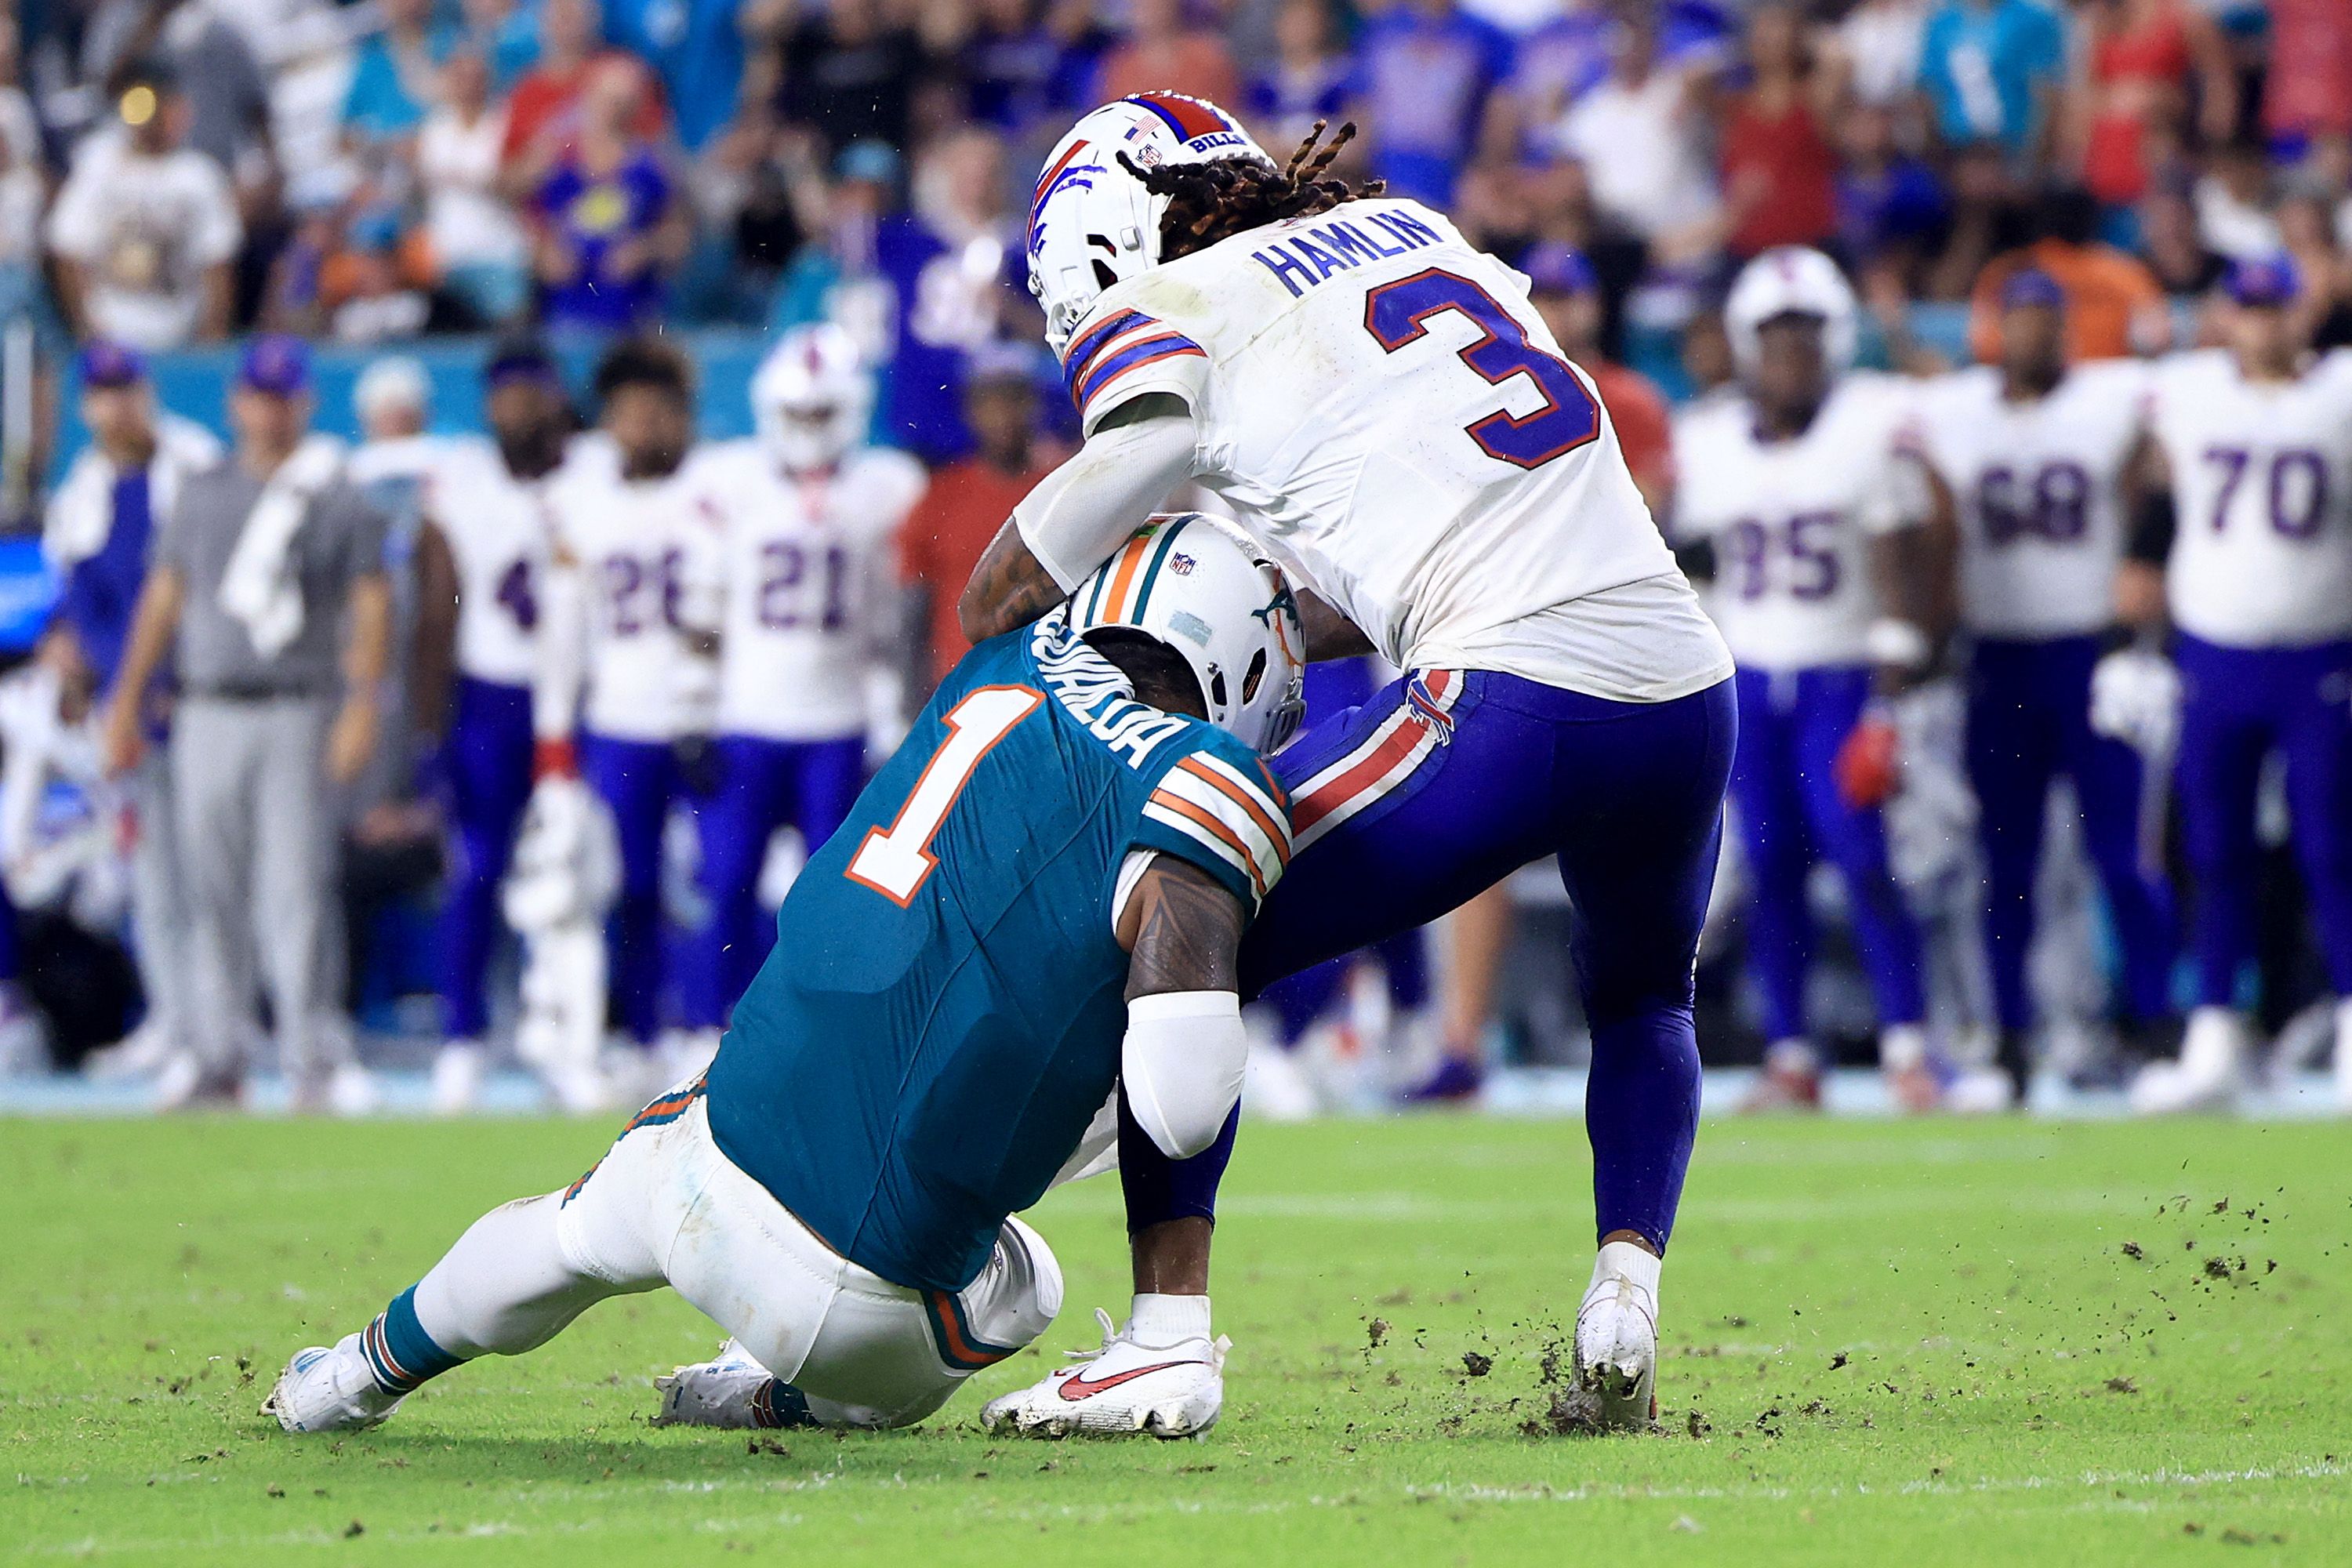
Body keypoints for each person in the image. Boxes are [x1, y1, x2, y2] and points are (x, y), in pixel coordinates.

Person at [963, 93, 1735, 1432]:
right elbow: (1408, 530)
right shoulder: (1409, 228)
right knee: (1643, 998)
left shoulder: (1179, 309)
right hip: (1681, 683)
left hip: (1517, 695)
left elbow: (1112, 476)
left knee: (1182, 905)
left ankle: (1165, 1337)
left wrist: (1003, 587)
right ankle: (1623, 1300)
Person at [265, 521, 1302, 1441]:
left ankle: (349, 1376)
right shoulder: (1201, 779)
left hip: (703, 1171)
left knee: (572, 1230)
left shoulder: (1002, 659)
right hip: (871, 1312)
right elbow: (1182, 1102)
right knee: (1028, 1288)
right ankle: (774, 1394)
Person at [1667, 247, 1947, 1113]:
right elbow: (1694, 563)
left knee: (1865, 858)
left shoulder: (1872, 420)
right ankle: (1791, 1052)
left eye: (1809, 333)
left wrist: (1893, 694)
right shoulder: (1708, 437)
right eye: (1777, 336)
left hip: (1843, 670)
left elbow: (1908, 553)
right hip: (1749, 677)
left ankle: (1910, 1046)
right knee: (1774, 866)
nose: (1793, 352)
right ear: (1749, 343)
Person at [100, 336, 392, 1112]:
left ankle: (309, 1055)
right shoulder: (201, 491)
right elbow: (164, 596)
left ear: (304, 402)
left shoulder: (332, 492)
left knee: (295, 886)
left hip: (296, 702)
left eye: (281, 395)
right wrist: (127, 698)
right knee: (210, 887)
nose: (267, 411)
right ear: (236, 403)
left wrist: (362, 706)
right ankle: (216, 1053)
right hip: (206, 703)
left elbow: (371, 603)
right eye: (256, 396)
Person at [1907, 270, 2176, 1098]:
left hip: (2088, 656)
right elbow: (1927, 500)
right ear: (1992, 329)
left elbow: (2161, 468)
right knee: (2005, 860)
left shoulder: (2112, 398)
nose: (2030, 334)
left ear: (2064, 328)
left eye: (2043, 319)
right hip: (1998, 658)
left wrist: (2142, 565)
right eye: (2016, 319)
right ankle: (2014, 1036)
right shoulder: (1956, 413)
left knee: (2120, 853)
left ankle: (2157, 1024)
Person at [2120, 258, 2352, 1114]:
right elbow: (2151, 489)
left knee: (2333, 845)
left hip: (2319, 652)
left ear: (2303, 310)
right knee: (2212, 851)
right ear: (2226, 314)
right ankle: (2214, 1030)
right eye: (2247, 307)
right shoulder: (2188, 392)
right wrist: (2132, 622)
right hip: (2212, 653)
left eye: (2274, 306)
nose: (2260, 323)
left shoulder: (2339, 391)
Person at [678, 325, 927, 1051]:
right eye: (800, 415)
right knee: (725, 882)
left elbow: (887, 623)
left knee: (837, 896)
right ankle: (704, 1027)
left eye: (823, 414)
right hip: (748, 718)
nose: (809, 431)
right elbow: (703, 608)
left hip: (838, 721)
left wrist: (885, 720)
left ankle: (826, 1032)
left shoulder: (883, 486)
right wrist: (694, 705)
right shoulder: (731, 482)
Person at [532, 337, 724, 1077]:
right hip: (617, 720)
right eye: (629, 412)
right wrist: (555, 737)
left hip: (707, 717)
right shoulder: (583, 506)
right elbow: (564, 633)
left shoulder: (715, 487)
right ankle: (641, 1033)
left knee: (719, 880)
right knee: (630, 885)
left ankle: (708, 1026)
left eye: (657, 412)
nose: (643, 426)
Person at [42, 342, 220, 1083]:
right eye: (102, 392)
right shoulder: (81, 488)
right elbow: (81, 604)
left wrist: (172, 676)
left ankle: (220, 1028)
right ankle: (173, 1024)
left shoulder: (195, 462)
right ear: (88, 405)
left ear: (145, 392)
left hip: (199, 695)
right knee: (153, 877)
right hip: (127, 713)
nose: (116, 405)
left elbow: (212, 586)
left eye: (126, 388)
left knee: (215, 873)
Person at [413, 339, 576, 1113]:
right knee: (475, 871)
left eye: (529, 393)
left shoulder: (594, 472)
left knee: (570, 879)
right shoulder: (461, 480)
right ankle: (464, 1036)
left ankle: (567, 1038)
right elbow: (433, 604)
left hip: (578, 700)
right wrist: (427, 725)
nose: (516, 410)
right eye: (503, 395)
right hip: (487, 698)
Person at [45, 60, 241, 351]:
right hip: (110, 336)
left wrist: (209, 342)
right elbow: (68, 249)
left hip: (179, 337)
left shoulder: (198, 175)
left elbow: (217, 264)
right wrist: (87, 331)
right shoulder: (98, 163)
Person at [898, 352, 1054, 688]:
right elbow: (914, 608)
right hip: (956, 687)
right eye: (991, 403)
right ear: (972, 411)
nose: (1004, 416)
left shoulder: (1059, 491)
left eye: (1014, 400)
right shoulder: (942, 496)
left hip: (1041, 691)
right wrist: (913, 698)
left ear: (1034, 406)